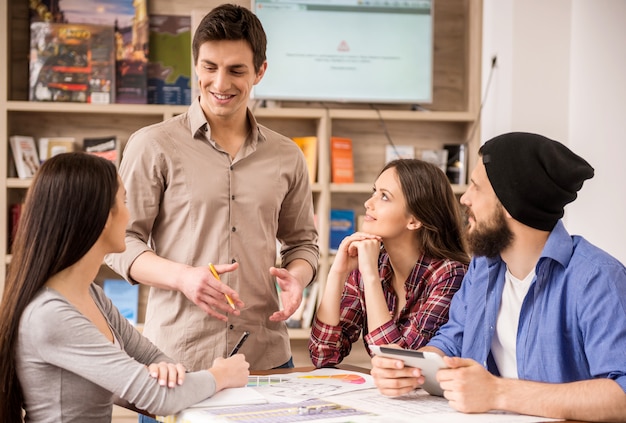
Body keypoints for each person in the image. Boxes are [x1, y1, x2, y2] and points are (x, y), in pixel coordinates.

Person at [105, 3, 318, 374]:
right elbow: (119, 243)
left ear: (260, 72)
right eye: (210, 68)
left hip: (265, 360)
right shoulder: (152, 145)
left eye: (236, 70)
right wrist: (184, 278)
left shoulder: (288, 155)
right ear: (196, 66)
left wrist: (297, 278)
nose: (220, 84)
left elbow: (303, 244)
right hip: (175, 363)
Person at [370, 132, 626, 422]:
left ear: (509, 204)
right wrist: (410, 369)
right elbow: (452, 341)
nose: (464, 199)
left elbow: (623, 395)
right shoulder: (483, 267)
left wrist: (498, 393)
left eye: (476, 187)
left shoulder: (598, 279)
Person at [0, 153, 250, 423]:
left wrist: (168, 373)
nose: (129, 214)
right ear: (102, 217)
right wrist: (221, 374)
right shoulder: (50, 315)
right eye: (124, 201)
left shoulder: (90, 293)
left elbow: (151, 356)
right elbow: (159, 398)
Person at [309, 159, 470, 367]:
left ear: (414, 220)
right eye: (374, 191)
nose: (369, 203)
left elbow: (399, 364)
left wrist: (370, 277)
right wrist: (337, 273)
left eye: (384, 196)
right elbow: (322, 355)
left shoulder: (450, 275)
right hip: (389, 397)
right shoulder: (372, 264)